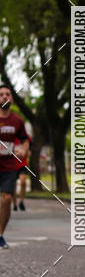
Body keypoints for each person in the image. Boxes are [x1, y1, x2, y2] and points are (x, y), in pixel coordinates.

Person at [0, 85, 30, 249]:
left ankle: (0, 234)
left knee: (6, 199)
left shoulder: (17, 121)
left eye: (8, 94)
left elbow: (25, 140)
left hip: (9, 166)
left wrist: (24, 149)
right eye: (1, 94)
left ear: (11, 98)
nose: (5, 97)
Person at [13, 134, 30, 212]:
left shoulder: (25, 137)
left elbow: (29, 150)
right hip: (12, 164)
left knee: (23, 182)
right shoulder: (10, 136)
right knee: (13, 185)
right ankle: (14, 204)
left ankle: (21, 202)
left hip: (22, 163)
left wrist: (26, 152)